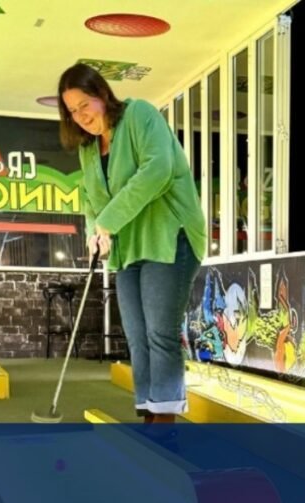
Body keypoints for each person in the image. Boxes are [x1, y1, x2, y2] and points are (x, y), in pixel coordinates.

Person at [57, 63, 207, 424]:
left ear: (102, 95)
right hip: (127, 249)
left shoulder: (139, 114)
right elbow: (91, 200)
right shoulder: (89, 148)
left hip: (168, 237)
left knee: (160, 333)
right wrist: (95, 233)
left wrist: (108, 222)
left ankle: (165, 423)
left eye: (85, 105)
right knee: (137, 337)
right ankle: (148, 414)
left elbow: (157, 170)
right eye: (72, 111)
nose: (81, 116)